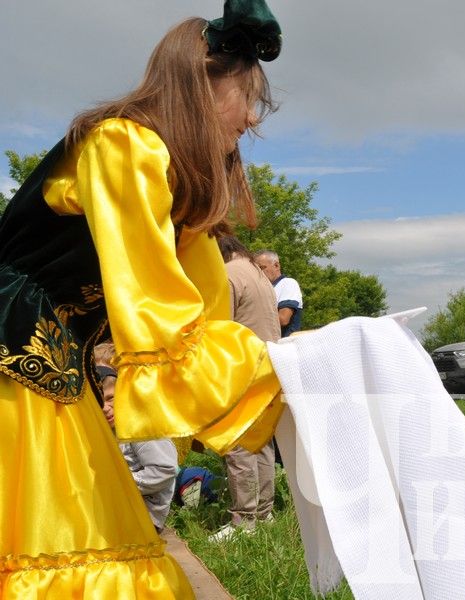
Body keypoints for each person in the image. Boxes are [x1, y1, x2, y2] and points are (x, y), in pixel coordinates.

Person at [0, 3, 285, 596]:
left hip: (55, 359)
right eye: (247, 97)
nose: (250, 117)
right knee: (65, 540)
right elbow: (156, 309)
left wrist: (288, 367)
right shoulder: (122, 145)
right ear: (204, 83)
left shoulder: (174, 185)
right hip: (17, 351)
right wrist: (276, 368)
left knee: (82, 539)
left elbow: (201, 317)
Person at [211, 234, 280, 541]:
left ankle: (244, 521)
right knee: (261, 442)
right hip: (269, 367)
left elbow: (220, 328)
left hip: (242, 368)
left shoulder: (227, 274)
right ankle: (264, 513)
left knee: (238, 443)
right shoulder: (259, 274)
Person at [95, 344, 178, 534]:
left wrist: (118, 482)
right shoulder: (111, 424)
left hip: (144, 516)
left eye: (110, 398)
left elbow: (165, 469)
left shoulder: (141, 424)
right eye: (98, 401)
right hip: (120, 506)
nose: (105, 408)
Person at [254, 249, 303, 335]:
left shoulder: (288, 283)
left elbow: (283, 319)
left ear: (276, 265)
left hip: (284, 345)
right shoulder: (264, 288)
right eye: (256, 269)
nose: (259, 272)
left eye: (262, 268)